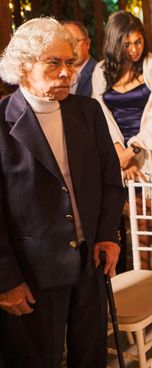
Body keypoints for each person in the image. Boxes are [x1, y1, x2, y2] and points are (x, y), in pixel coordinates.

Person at [0, 18, 123, 367]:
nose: (66, 72)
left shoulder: (87, 111)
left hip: (90, 266)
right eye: (54, 63)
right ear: (24, 66)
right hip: (33, 277)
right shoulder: (2, 122)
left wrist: (107, 235)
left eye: (70, 62)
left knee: (91, 358)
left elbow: (110, 180)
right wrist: (6, 280)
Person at [93, 11, 152, 270]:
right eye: (127, 44)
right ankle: (144, 289)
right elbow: (101, 116)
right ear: (115, 43)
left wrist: (134, 150)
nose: (134, 49)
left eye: (138, 41)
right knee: (137, 228)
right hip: (121, 162)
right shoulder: (101, 72)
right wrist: (120, 155)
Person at [62, 20, 97, 97]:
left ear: (87, 44)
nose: (70, 47)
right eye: (64, 42)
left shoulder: (98, 73)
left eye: (74, 41)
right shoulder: (57, 73)